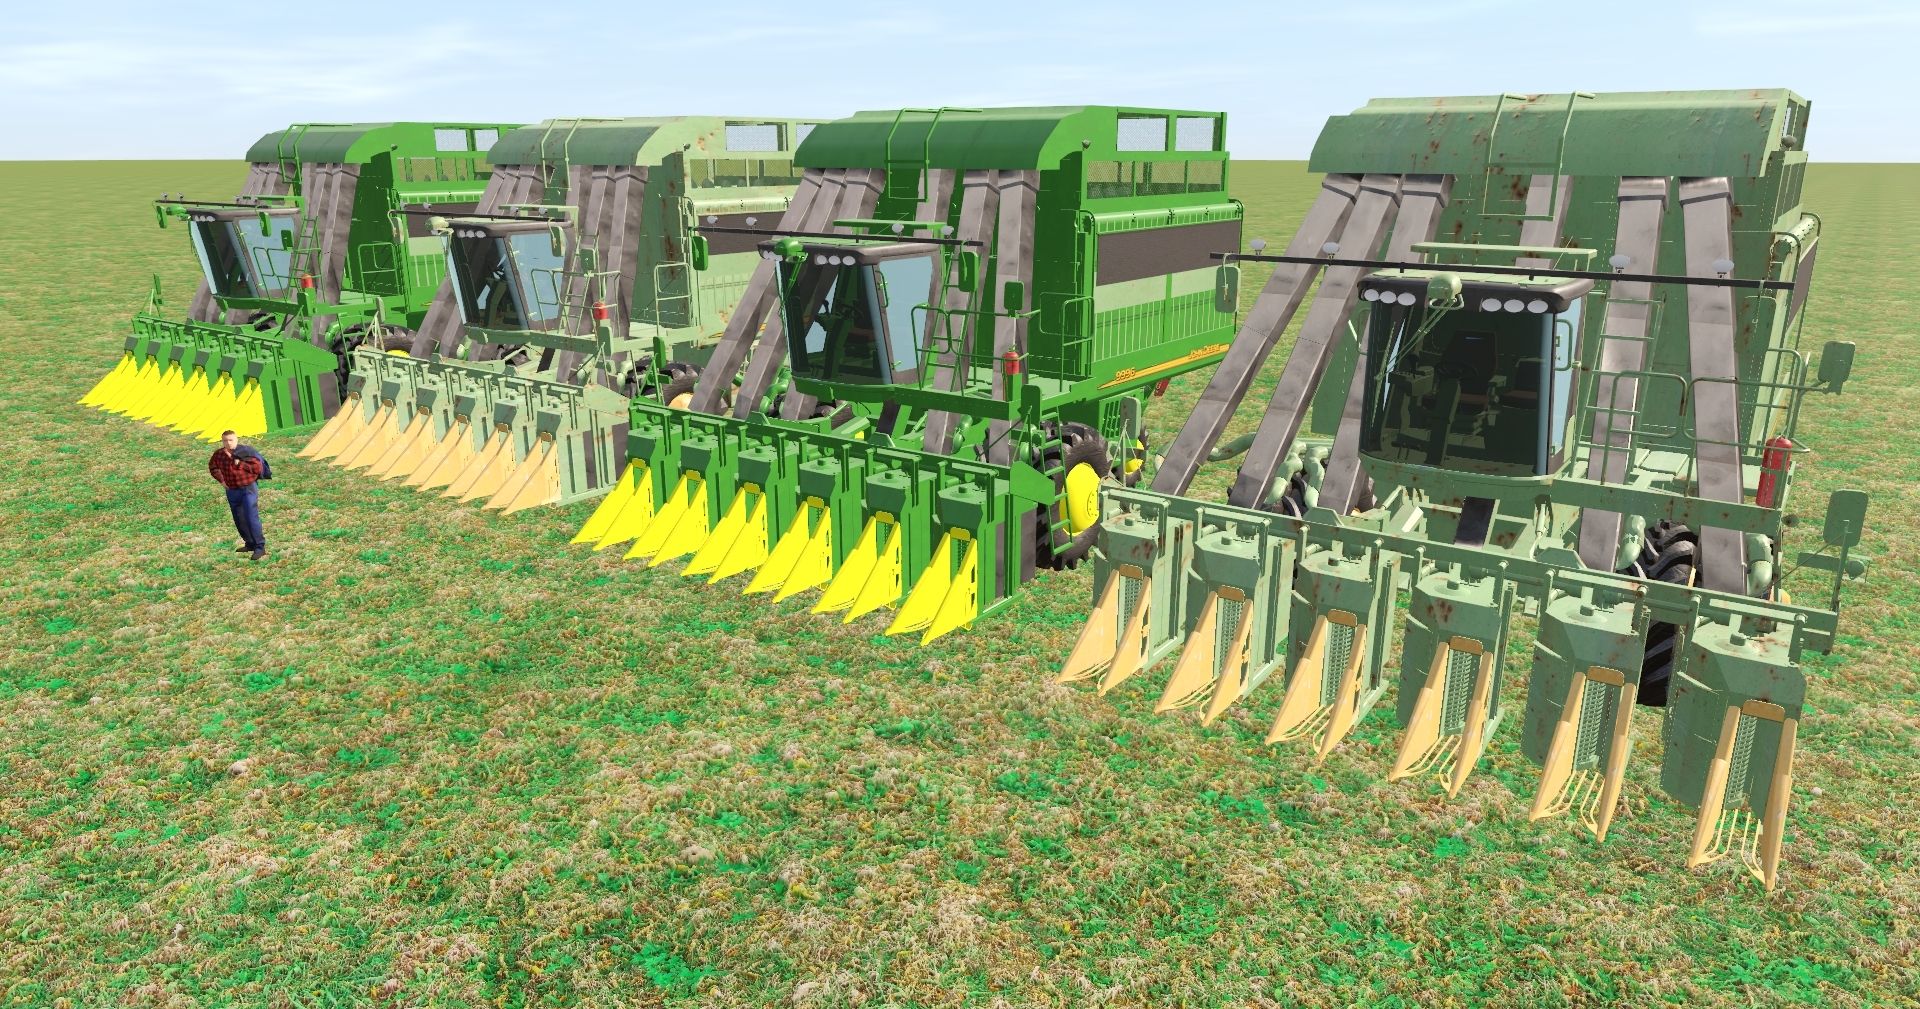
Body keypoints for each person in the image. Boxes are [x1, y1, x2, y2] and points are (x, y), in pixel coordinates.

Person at [209, 430, 267, 560]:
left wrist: (240, 464)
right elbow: (213, 467)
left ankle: (260, 547)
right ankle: (249, 543)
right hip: (231, 490)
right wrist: (222, 481)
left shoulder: (246, 452)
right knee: (239, 518)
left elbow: (257, 469)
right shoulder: (219, 454)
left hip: (248, 489)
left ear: (236, 440)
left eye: (231, 440)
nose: (228, 443)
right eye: (225, 440)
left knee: (251, 517)